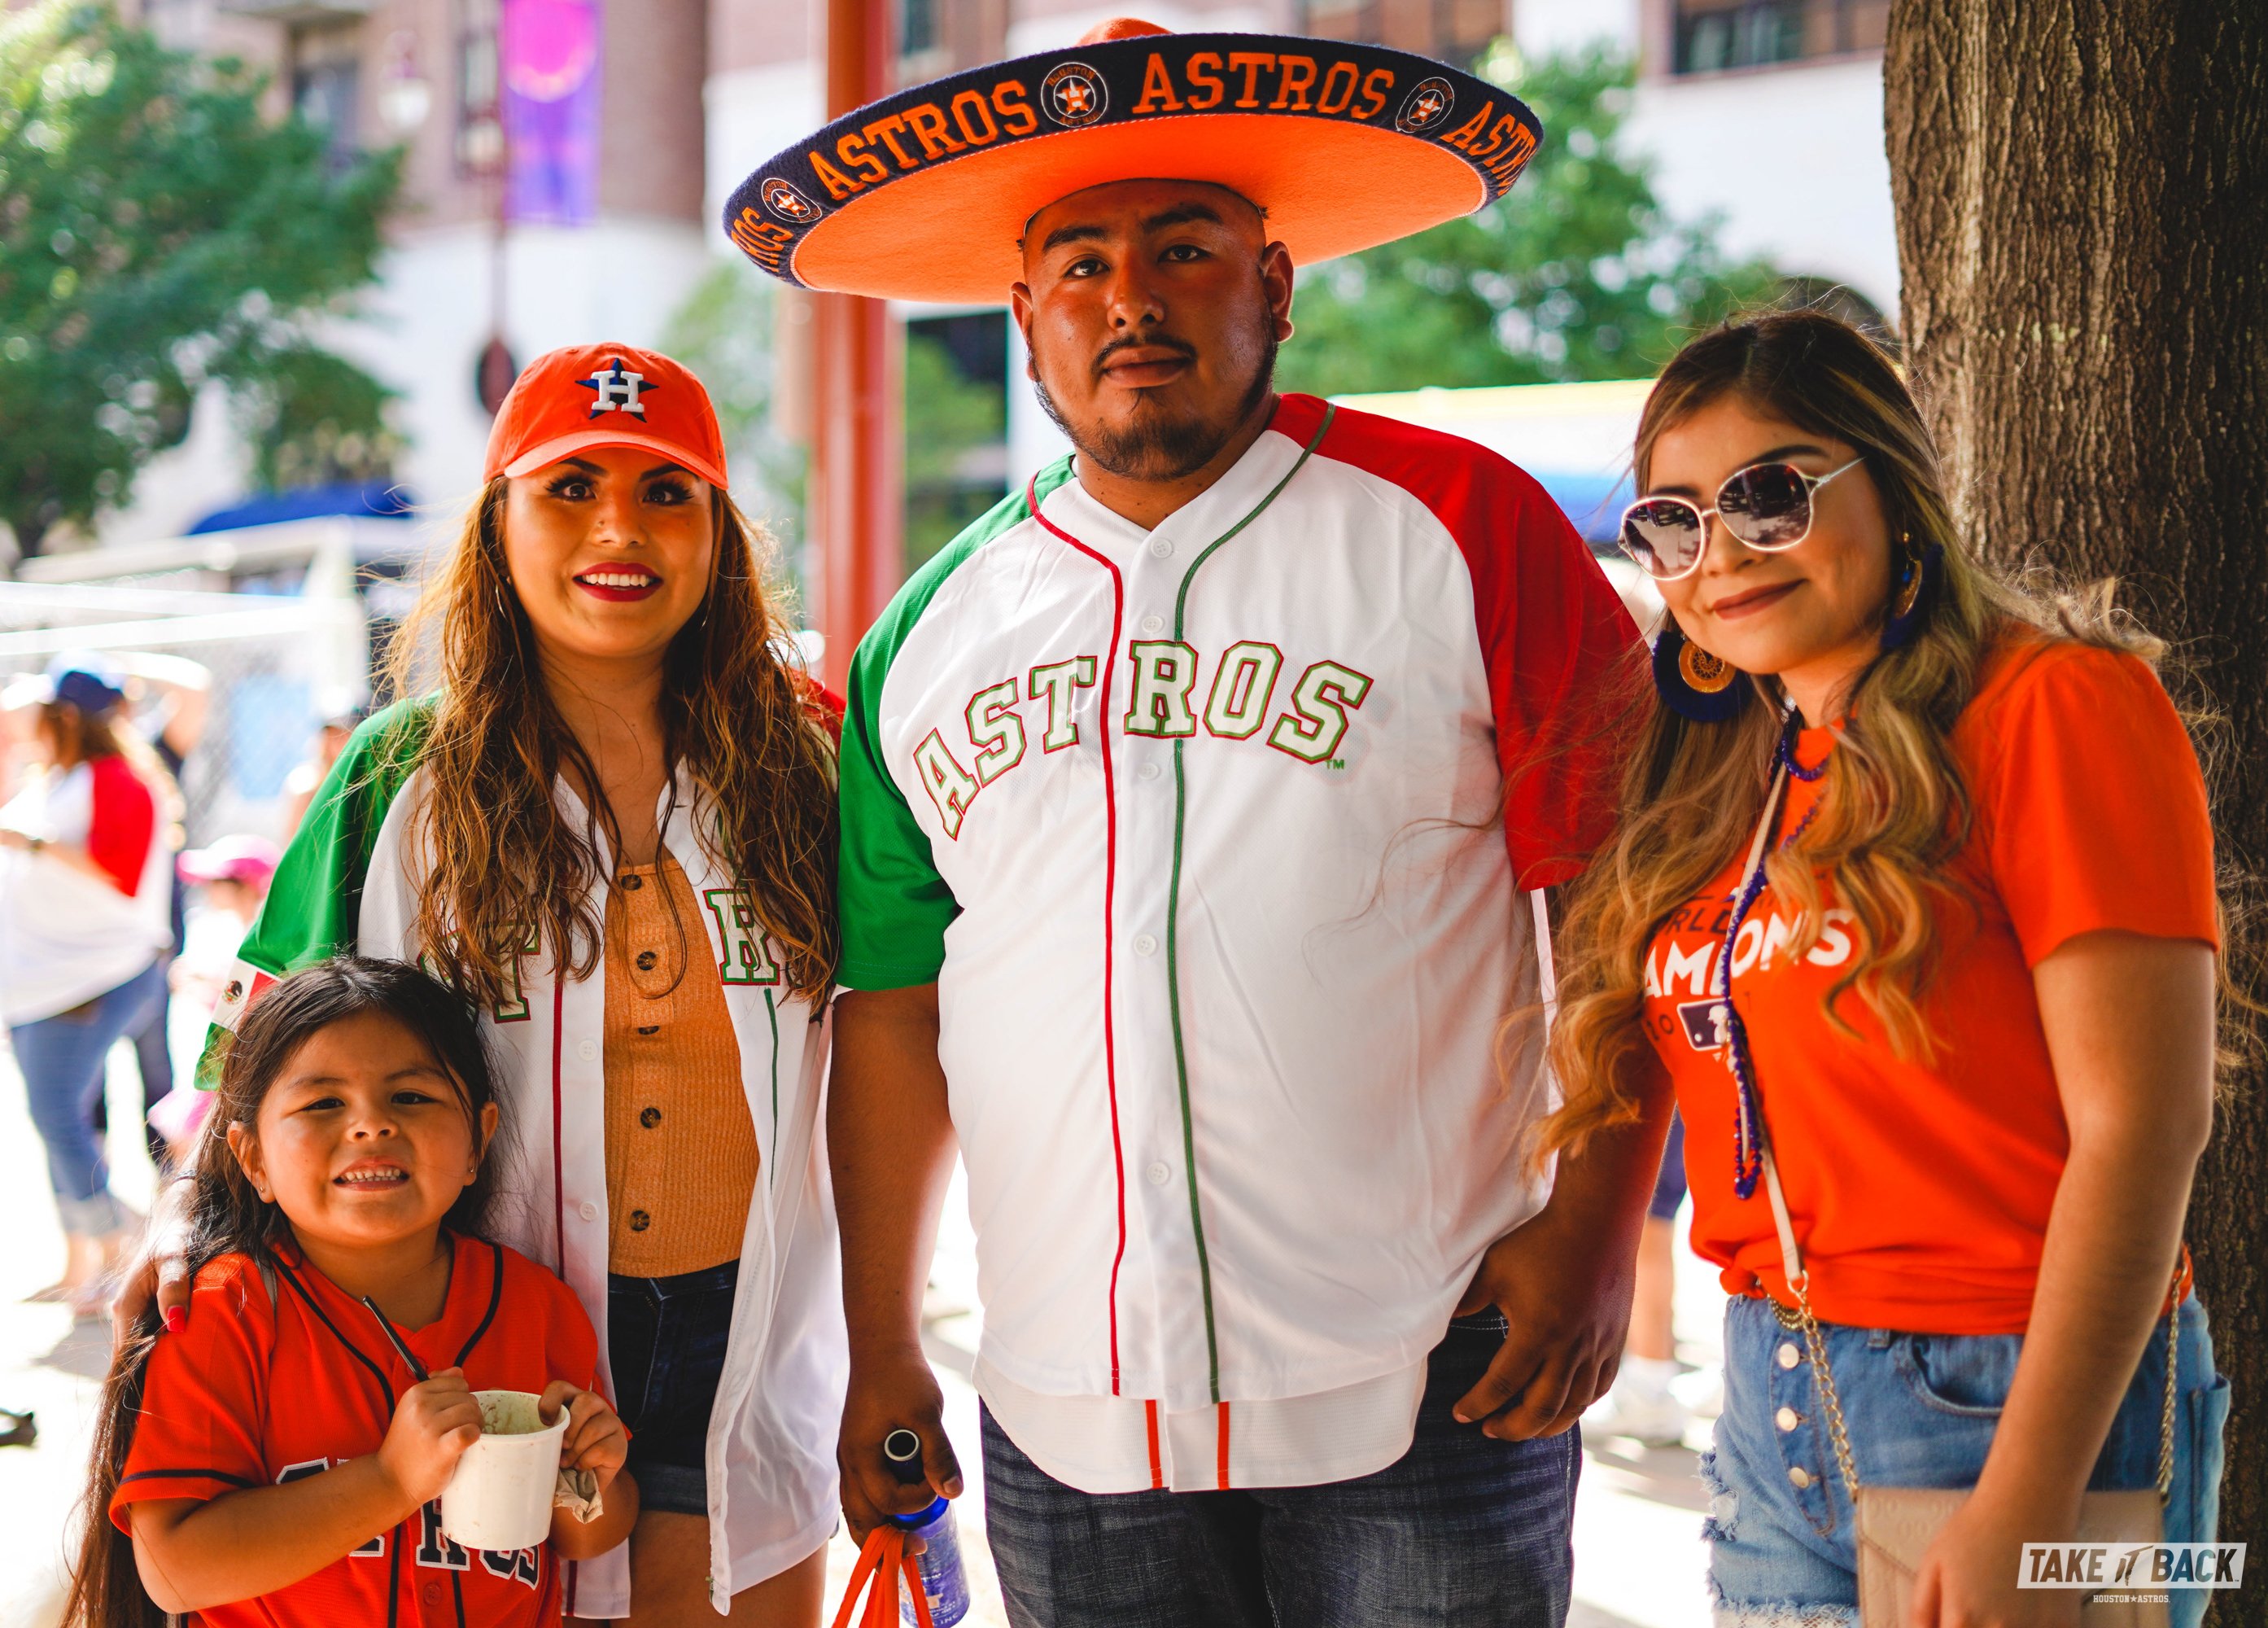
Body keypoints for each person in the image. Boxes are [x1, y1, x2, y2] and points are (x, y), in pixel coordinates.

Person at [732, 22, 1650, 1627]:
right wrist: (884, 1342)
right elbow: (893, 1011)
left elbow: (1621, 906)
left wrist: (1592, 1231)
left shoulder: (1462, 524)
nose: (1131, 298)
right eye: (1077, 265)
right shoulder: (924, 634)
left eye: (1183, 251)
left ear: (1273, 289)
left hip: (1437, 1352)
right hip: (1061, 1399)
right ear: (1023, 324)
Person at [127, 344, 846, 1626]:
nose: (618, 526)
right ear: (496, 523)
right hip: (479, 1350)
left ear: (722, 536)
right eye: (568, 485)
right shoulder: (401, 773)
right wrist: (191, 1213)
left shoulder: (813, 764)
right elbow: (267, 1028)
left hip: (754, 1342)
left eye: (666, 491)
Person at [1542, 310, 2230, 1628]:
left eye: (1769, 495)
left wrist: (2028, 1497)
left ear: (1893, 482)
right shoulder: (1732, 773)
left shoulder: (2053, 704)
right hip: (1768, 1382)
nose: (1722, 551)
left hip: (2018, 1389)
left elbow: (2147, 1126)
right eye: (1674, 520)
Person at [68, 956, 637, 1628]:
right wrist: (390, 1481)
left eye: (412, 1097)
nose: (371, 1125)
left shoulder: (535, 1305)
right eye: (323, 1103)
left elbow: (587, 1535)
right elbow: (173, 1572)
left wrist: (590, 1476)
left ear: (479, 1140)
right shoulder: (224, 1310)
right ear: (254, 1160)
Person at [0, 652, 178, 1315]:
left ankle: (124, 1242)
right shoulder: (66, 774)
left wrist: (30, 842)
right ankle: (86, 1267)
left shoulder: (116, 778)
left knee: (57, 1118)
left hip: (88, 979)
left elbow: (120, 872)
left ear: (66, 716)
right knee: (57, 1121)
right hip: (51, 982)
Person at [150, 835, 284, 1166]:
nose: (208, 889)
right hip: (228, 1050)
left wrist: (207, 985)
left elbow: (256, 999)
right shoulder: (242, 928)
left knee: (193, 1137)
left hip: (242, 1056)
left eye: (218, 881)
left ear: (246, 886)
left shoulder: (263, 935)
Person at [280, 708, 363, 838]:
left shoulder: (361, 778)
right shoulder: (307, 781)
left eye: (344, 736)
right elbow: (294, 838)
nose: (337, 743)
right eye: (333, 736)